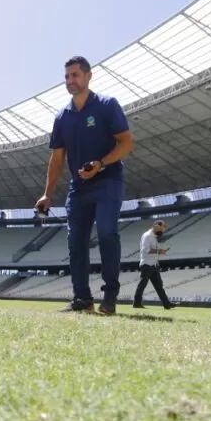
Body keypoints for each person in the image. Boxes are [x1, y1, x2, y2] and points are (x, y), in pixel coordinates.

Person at [34, 56, 134, 315]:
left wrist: (100, 164)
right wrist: (47, 194)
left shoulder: (106, 105)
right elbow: (57, 159)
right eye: (67, 76)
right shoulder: (62, 116)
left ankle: (109, 295)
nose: (70, 81)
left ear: (89, 76)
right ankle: (82, 298)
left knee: (107, 232)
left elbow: (126, 143)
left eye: (76, 75)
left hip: (108, 180)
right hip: (79, 188)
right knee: (75, 242)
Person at [133, 220, 176, 310]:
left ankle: (167, 304)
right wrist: (160, 251)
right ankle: (136, 303)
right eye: (162, 229)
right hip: (147, 264)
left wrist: (159, 252)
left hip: (153, 264)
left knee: (159, 286)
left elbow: (152, 251)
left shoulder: (153, 236)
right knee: (143, 284)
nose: (162, 232)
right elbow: (146, 250)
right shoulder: (147, 236)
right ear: (156, 225)